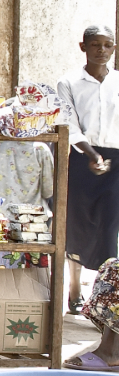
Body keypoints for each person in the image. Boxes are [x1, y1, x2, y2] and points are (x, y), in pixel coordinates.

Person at [59, 24, 119, 312]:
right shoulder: (69, 82)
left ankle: (101, 298)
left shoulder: (118, 82)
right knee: (79, 224)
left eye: (108, 45)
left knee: (109, 227)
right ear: (83, 47)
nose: (102, 51)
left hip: (116, 161)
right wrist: (92, 155)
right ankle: (73, 288)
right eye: (96, 45)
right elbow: (68, 124)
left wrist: (107, 159)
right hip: (82, 158)